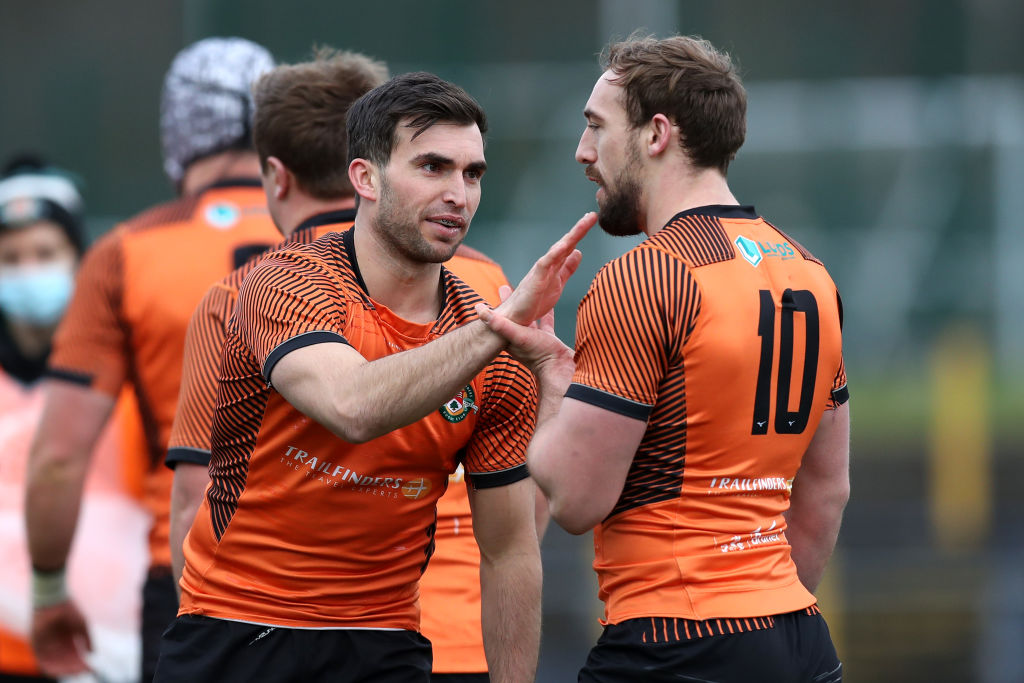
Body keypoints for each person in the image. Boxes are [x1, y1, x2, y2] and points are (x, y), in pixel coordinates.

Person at [156, 72, 593, 683]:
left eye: (473, 174)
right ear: (365, 177)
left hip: (383, 639)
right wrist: (497, 329)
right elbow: (351, 405)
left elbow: (511, 549)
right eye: (433, 167)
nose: (458, 194)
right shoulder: (281, 283)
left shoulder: (493, 335)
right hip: (238, 628)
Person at [478, 35, 850, 682]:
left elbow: (572, 496)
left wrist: (548, 381)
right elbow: (825, 491)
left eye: (595, 127)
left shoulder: (646, 275)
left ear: (656, 134)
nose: (582, 152)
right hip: (800, 638)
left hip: (676, 640)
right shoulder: (812, 274)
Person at [24, 38, 281, 682]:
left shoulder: (129, 252)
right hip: (334, 575)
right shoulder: (345, 240)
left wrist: (50, 590)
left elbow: (58, 458)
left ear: (178, 127)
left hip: (190, 570)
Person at [0, 157, 149, 682]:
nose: (27, 270)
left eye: (44, 253)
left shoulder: (128, 383)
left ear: (78, 258)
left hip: (106, 652)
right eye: (10, 257)